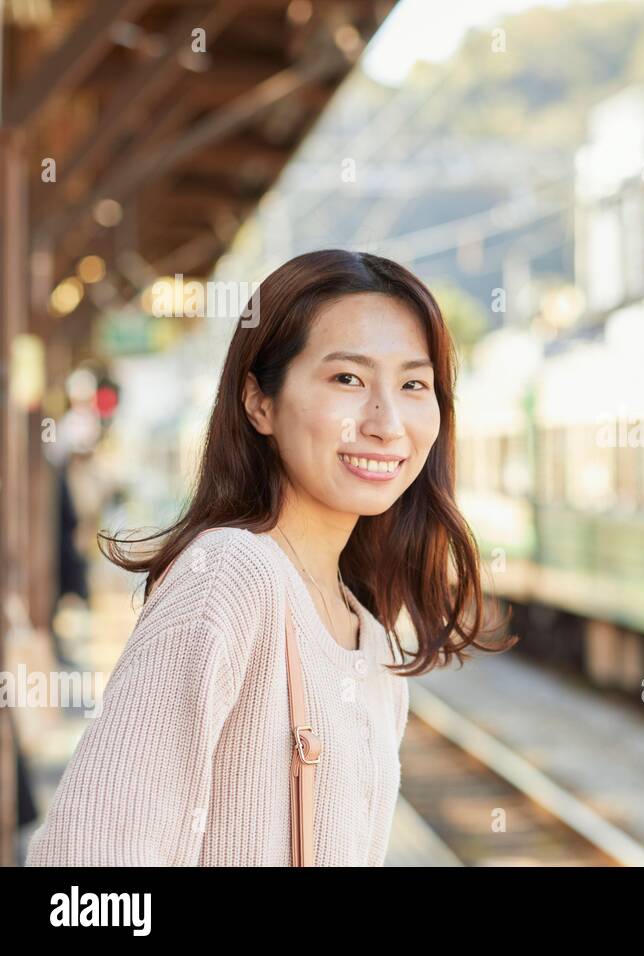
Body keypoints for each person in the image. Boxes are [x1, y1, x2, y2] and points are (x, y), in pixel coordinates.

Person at [25, 250, 513, 866]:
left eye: (414, 384)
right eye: (348, 380)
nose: (388, 423)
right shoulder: (230, 576)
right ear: (259, 402)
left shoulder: (371, 633)